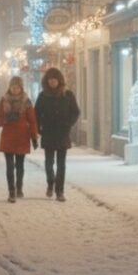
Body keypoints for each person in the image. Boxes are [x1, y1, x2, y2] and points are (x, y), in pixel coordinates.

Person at [35, 67, 81, 202]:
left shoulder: (67, 94)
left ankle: (59, 191)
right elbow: (36, 113)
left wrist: (68, 124)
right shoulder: (43, 96)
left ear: (59, 80)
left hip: (62, 133)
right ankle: (50, 183)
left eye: (54, 79)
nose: (52, 82)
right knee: (49, 162)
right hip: (48, 132)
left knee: (61, 164)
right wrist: (39, 128)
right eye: (50, 79)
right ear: (46, 81)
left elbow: (76, 111)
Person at [0, 77, 38, 203]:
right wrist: (5, 120)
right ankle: (11, 192)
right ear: (10, 87)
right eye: (13, 87)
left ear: (21, 88)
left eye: (17, 87)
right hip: (8, 137)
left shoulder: (26, 102)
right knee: (9, 166)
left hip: (22, 137)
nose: (15, 89)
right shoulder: (4, 100)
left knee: (20, 165)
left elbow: (32, 121)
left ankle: (19, 187)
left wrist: (34, 137)